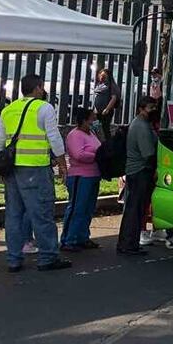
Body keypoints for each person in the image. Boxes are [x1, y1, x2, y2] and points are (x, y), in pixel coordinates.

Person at [0, 74, 70, 272]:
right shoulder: (44, 108)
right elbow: (54, 138)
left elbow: (0, 142)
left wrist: (1, 168)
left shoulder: (8, 110)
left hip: (12, 170)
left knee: (13, 215)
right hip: (36, 168)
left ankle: (13, 259)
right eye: (42, 87)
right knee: (42, 213)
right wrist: (63, 164)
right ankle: (48, 257)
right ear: (38, 88)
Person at [117, 96, 158, 255]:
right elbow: (148, 152)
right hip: (139, 171)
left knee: (135, 209)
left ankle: (129, 243)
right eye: (150, 108)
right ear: (141, 109)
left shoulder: (142, 124)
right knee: (134, 209)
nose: (153, 111)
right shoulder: (141, 126)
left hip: (137, 171)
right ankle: (128, 244)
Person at [59, 108, 102, 252]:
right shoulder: (74, 135)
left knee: (88, 208)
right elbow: (79, 155)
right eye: (92, 119)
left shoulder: (92, 134)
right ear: (84, 120)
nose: (94, 122)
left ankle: (82, 237)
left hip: (93, 175)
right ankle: (68, 239)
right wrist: (96, 155)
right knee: (77, 208)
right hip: (80, 176)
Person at [92, 68, 121, 139]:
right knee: (95, 126)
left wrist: (107, 109)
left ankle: (108, 143)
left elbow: (113, 98)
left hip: (106, 111)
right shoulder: (100, 85)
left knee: (105, 128)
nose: (101, 77)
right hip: (97, 110)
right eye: (100, 75)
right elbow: (96, 96)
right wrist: (95, 108)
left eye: (104, 75)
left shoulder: (112, 85)